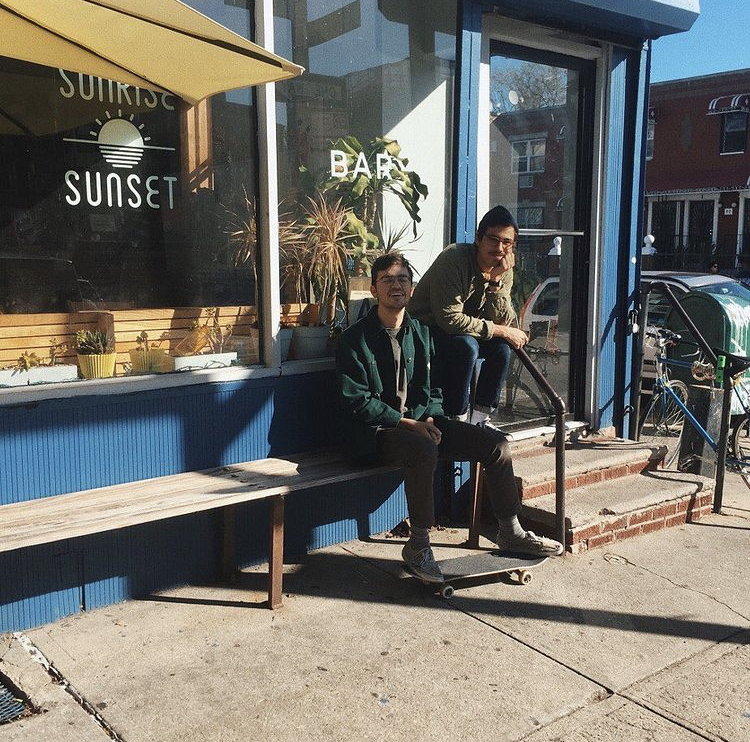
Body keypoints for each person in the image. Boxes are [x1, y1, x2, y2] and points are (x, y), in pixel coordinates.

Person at [336, 253, 563, 583]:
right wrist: (408, 423)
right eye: (387, 280)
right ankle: (418, 545)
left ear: (412, 289)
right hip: (375, 434)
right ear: (374, 290)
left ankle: (510, 530)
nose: (396, 285)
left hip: (421, 425)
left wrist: (431, 418)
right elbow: (356, 401)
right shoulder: (355, 339)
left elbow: (434, 389)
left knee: (497, 445)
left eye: (403, 279)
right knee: (423, 449)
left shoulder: (421, 332)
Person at [408, 205, 527, 426]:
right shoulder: (454, 258)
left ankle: (480, 420)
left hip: (467, 330)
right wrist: (502, 330)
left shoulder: (503, 268)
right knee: (467, 346)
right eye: (493, 239)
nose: (499, 248)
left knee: (501, 349)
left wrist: (495, 282)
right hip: (427, 330)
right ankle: (458, 419)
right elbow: (449, 319)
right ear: (478, 239)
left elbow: (502, 320)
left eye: (507, 242)